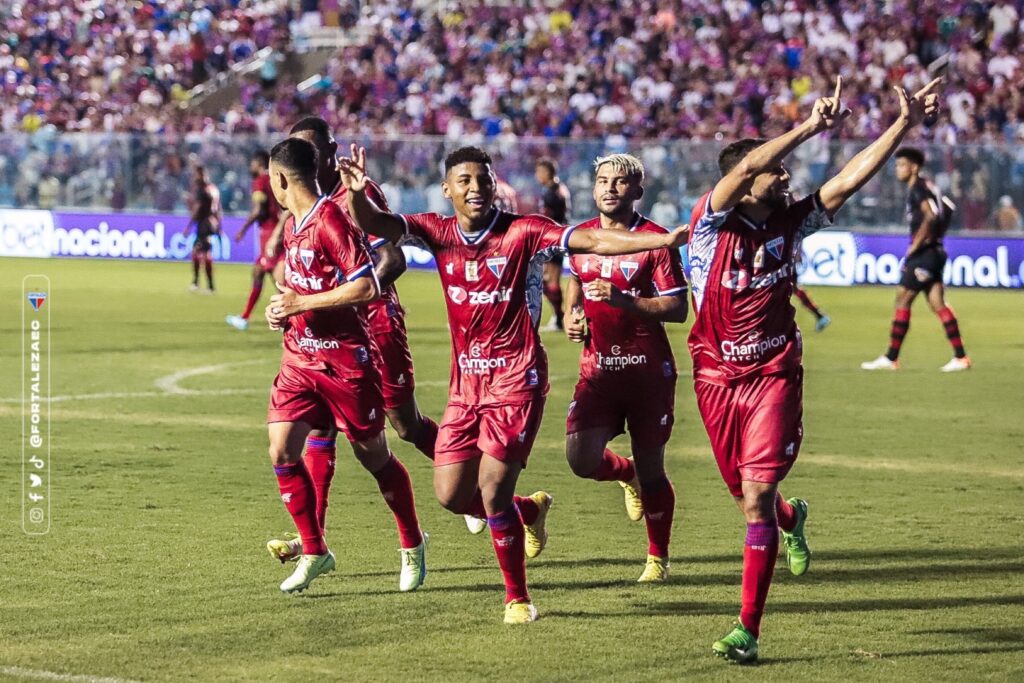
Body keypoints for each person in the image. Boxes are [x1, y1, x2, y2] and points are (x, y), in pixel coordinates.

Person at [340, 144, 687, 624]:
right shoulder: (436, 232)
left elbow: (593, 243)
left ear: (494, 183)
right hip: (466, 387)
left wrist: (660, 243)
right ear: (448, 190)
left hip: (515, 378)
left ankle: (517, 599)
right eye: (464, 181)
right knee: (448, 495)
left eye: (483, 179)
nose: (475, 188)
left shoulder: (524, 230)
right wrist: (359, 195)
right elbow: (377, 226)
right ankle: (529, 512)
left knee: (491, 491)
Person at [686, 77, 941, 662]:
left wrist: (902, 125)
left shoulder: (792, 221)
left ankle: (747, 630)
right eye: (776, 171)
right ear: (748, 180)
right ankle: (790, 518)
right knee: (754, 501)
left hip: (774, 372)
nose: (787, 175)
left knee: (755, 495)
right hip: (714, 380)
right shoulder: (709, 224)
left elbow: (849, 179)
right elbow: (752, 161)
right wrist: (809, 126)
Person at [262, 137, 427, 594]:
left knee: (374, 457)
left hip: (344, 360)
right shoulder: (295, 222)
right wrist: (283, 308)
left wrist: (301, 301)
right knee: (281, 450)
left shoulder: (331, 219)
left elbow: (367, 287)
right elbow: (300, 286)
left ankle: (412, 543)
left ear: (279, 179)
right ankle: (316, 552)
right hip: (299, 357)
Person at [563, 153, 688, 583]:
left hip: (647, 376)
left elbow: (677, 308)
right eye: (602, 180)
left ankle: (658, 557)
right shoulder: (579, 237)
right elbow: (574, 279)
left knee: (654, 467)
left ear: (638, 191)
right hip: (597, 372)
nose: (609, 188)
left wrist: (625, 301)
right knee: (580, 459)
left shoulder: (656, 241)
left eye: (620, 182)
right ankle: (625, 473)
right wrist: (571, 313)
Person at [861, 147, 970, 372]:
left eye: (902, 165)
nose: (897, 169)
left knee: (902, 299)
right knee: (938, 303)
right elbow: (948, 208)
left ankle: (891, 358)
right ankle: (961, 357)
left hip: (925, 254)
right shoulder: (929, 185)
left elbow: (931, 215)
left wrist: (915, 246)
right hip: (936, 251)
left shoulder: (918, 189)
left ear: (914, 168)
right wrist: (938, 236)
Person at [227, 150, 283, 330]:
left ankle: (296, 317)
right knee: (261, 272)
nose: (250, 167)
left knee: (277, 277)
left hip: (270, 233)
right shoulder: (275, 180)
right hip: (278, 231)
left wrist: (243, 230)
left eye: (252, 164)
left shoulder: (260, 182)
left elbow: (258, 209)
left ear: (259, 164)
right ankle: (244, 317)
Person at [535, 158, 572, 331]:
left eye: (539, 172)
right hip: (560, 236)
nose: (537, 176)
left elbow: (547, 218)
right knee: (548, 279)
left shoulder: (550, 192)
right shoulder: (562, 188)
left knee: (548, 279)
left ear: (546, 173)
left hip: (552, 238)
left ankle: (560, 318)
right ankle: (559, 316)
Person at [185, 164, 221, 293]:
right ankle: (208, 285)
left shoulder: (202, 190)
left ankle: (200, 284)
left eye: (195, 174)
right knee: (204, 253)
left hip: (204, 225)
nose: (194, 177)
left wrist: (188, 227)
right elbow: (218, 210)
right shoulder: (214, 189)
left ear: (200, 174)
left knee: (198, 253)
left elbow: (197, 209)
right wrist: (219, 226)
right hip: (212, 224)